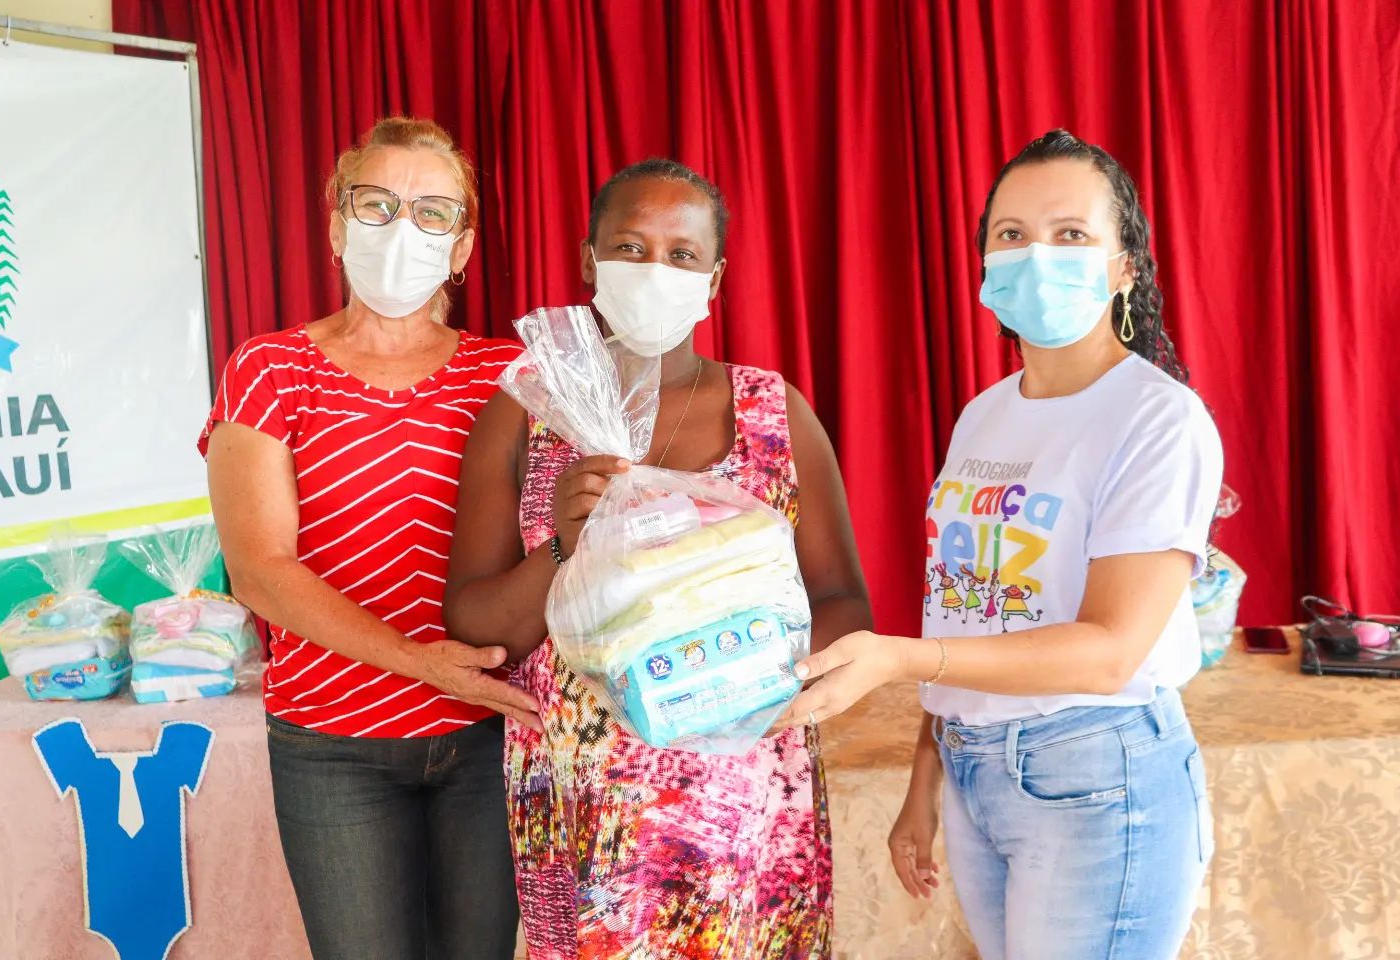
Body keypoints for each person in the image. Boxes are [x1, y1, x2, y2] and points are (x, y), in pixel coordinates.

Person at [774, 130, 1223, 960]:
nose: (1037, 256)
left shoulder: (1158, 418)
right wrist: (927, 778)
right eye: (1012, 234)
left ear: (1125, 266)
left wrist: (897, 660)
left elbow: (1108, 653)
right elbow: (968, 609)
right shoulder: (985, 414)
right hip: (975, 773)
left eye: (1071, 234)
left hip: (1094, 774)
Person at [444, 158, 872, 959]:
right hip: (585, 813)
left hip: (744, 807)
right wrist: (565, 547)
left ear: (714, 279)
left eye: (681, 255)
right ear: (589, 261)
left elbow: (843, 600)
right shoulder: (525, 410)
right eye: (631, 248)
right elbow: (474, 624)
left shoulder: (771, 410)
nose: (654, 271)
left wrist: (735, 681)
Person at [201, 117, 535, 960]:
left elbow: (550, 543)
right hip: (332, 747)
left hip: (486, 736)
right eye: (377, 203)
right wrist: (420, 661)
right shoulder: (270, 370)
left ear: (461, 248)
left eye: (432, 212)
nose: (401, 229)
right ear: (336, 227)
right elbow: (259, 571)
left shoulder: (510, 376)